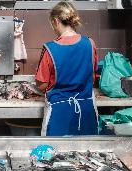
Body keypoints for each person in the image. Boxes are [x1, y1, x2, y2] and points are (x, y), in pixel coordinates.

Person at [35, 1, 99, 136]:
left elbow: (42, 85)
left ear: (56, 21)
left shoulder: (50, 48)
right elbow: (92, 76)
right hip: (86, 110)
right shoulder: (90, 43)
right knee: (87, 153)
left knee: (55, 155)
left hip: (59, 113)